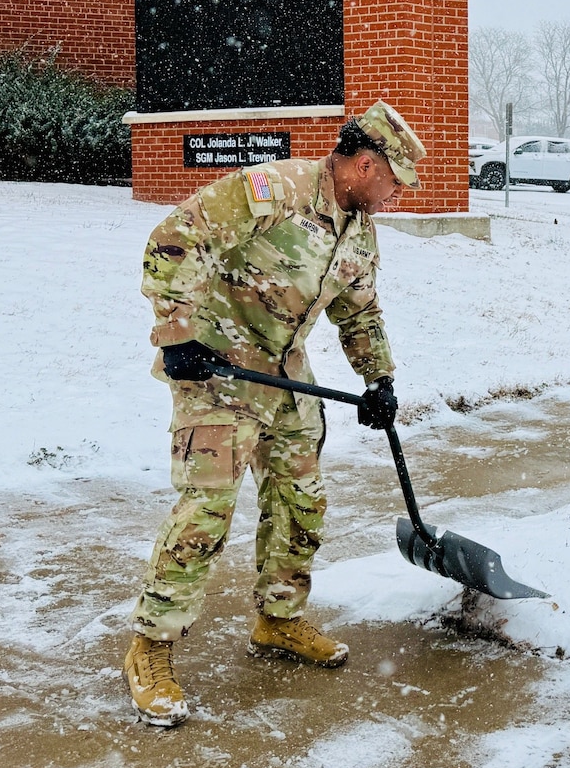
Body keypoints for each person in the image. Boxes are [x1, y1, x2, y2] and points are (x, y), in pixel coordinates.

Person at [122, 101, 427, 727]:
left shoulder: (358, 228)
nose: (395, 195)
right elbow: (175, 238)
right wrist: (177, 334)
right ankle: (149, 649)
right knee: (206, 512)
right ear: (365, 164)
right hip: (218, 371)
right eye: (394, 182)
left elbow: (359, 310)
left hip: (284, 376)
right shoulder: (275, 191)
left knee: (302, 499)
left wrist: (380, 380)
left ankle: (278, 619)